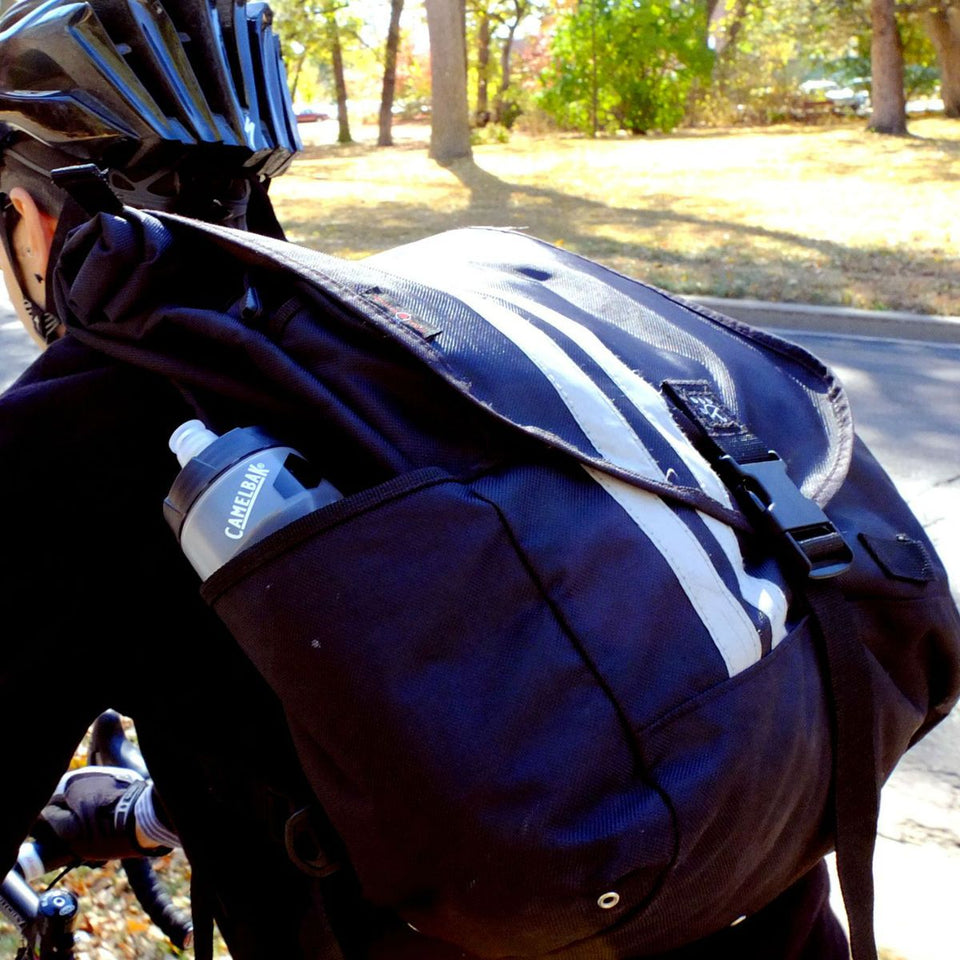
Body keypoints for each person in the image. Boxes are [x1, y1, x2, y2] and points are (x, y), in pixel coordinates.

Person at [0, 1, 851, 957]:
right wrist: (155, 814)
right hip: (764, 909)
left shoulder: (74, 435)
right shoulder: (391, 348)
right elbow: (451, 722)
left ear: (31, 215)